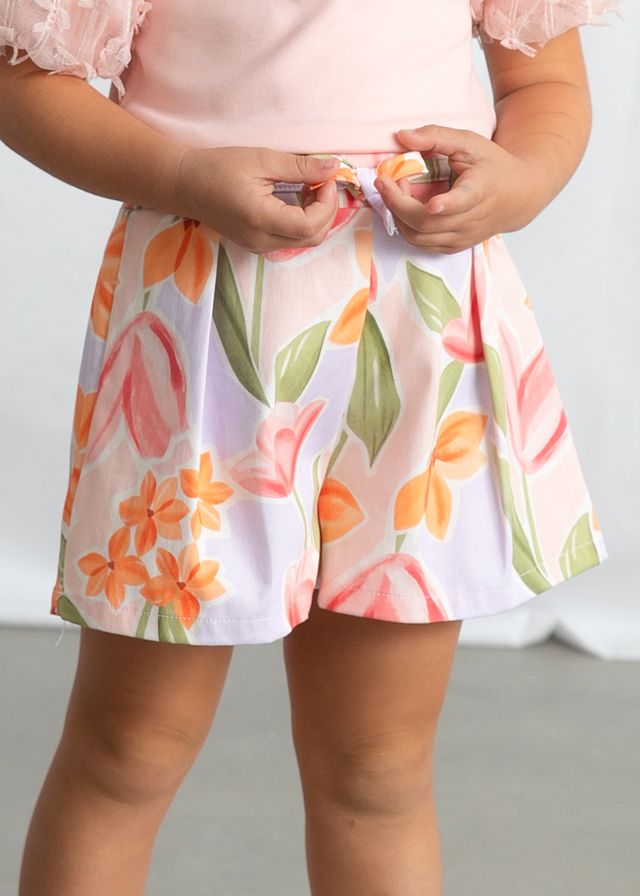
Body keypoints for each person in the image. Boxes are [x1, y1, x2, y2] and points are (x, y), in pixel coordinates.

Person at [0, 1, 624, 893]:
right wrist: (182, 173)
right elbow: (22, 83)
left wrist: (520, 179)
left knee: (378, 766)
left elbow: (544, 82)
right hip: (203, 328)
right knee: (129, 749)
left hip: (421, 334)